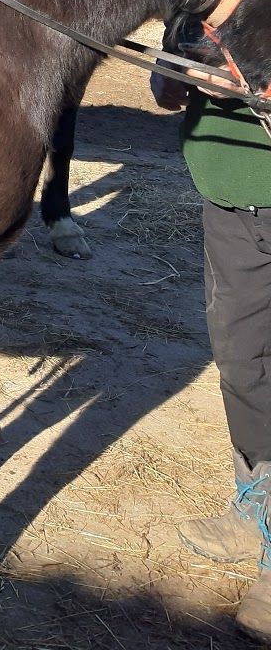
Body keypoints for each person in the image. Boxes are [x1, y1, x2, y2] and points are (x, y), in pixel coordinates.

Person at [150, 37, 271, 641]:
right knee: (241, 359)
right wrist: (178, 81)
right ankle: (255, 505)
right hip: (231, 197)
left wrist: (253, 87)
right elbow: (164, 83)